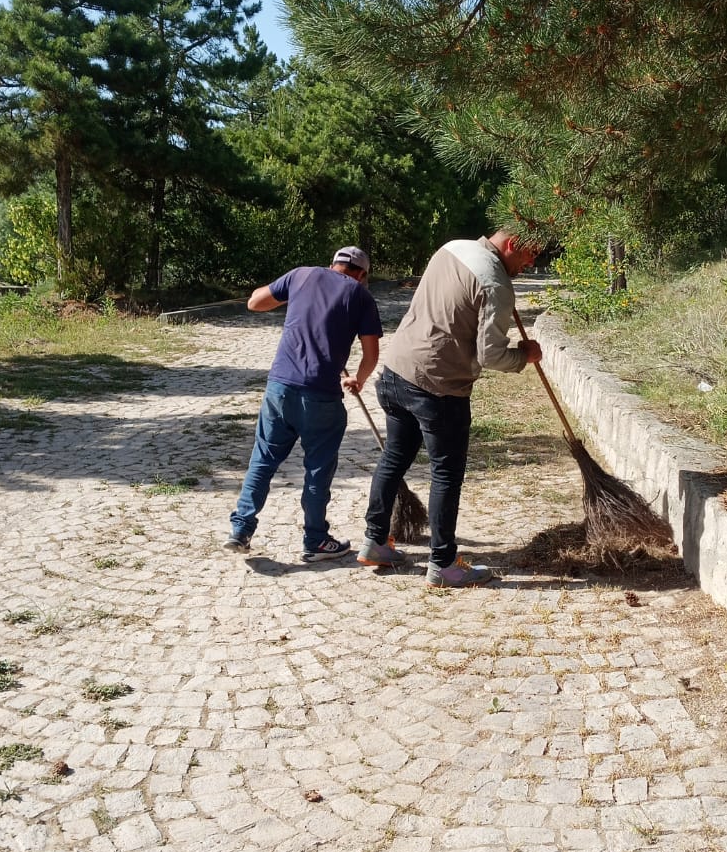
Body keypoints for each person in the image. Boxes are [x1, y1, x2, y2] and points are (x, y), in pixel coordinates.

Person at [358, 229, 542, 587]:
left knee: (394, 457)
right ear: (511, 245)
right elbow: (491, 355)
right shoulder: (496, 285)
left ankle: (375, 541)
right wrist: (525, 355)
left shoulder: (451, 247)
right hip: (439, 388)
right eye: (529, 255)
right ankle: (442, 563)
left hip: (397, 371)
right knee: (446, 474)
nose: (531, 262)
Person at [227, 246, 382, 561]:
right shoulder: (361, 296)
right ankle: (315, 540)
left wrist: (293, 295)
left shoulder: (301, 275)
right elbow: (371, 355)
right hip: (321, 396)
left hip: (279, 388)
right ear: (362, 275)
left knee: (263, 460)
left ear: (333, 264)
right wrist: (359, 380)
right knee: (317, 470)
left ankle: (241, 529)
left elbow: (255, 302)